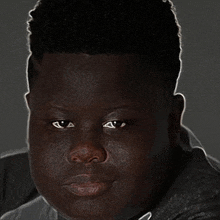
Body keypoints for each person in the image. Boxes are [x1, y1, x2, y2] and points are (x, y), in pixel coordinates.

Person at [0, 0, 220, 219]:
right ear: (33, 111)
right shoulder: (10, 187)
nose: (85, 150)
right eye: (61, 123)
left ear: (172, 122)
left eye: (116, 124)